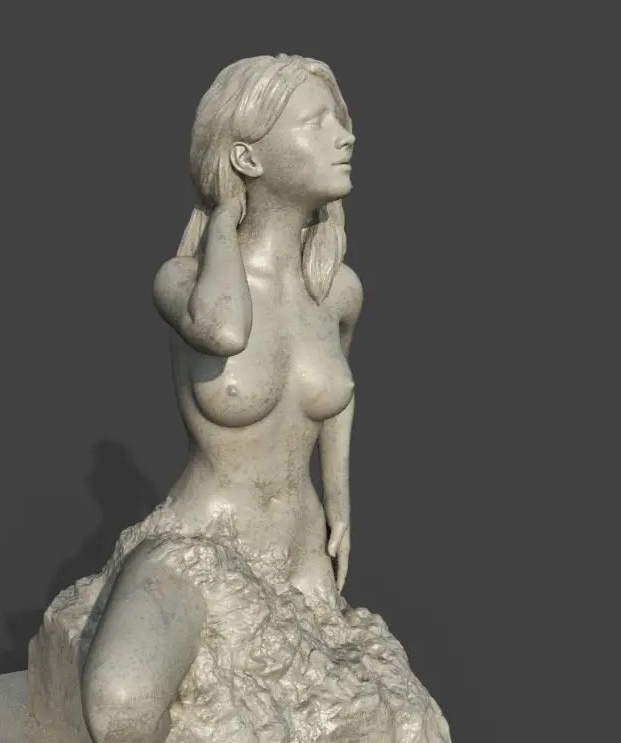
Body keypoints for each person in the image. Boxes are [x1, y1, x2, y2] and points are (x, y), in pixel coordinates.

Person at [77, 54, 449, 743]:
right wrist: (224, 219)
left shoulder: (336, 292)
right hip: (199, 546)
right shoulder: (182, 281)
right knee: (121, 707)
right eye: (317, 121)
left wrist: (340, 500)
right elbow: (225, 330)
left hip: (299, 557)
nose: (346, 134)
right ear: (247, 156)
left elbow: (337, 391)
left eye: (341, 119)